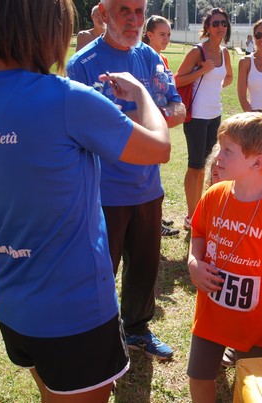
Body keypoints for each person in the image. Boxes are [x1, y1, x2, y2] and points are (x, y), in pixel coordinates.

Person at [0, 0, 173, 400]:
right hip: (74, 310)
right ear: (46, 29)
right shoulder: (66, 98)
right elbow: (159, 148)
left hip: (13, 300)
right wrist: (142, 94)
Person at [67, 0, 185, 362]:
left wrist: (137, 121)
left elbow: (178, 108)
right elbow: (77, 133)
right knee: (101, 273)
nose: (134, 20)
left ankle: (137, 330)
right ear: (103, 13)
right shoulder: (83, 65)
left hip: (148, 187)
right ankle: (98, 342)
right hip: (103, 192)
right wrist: (144, 128)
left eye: (139, 12)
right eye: (124, 11)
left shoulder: (150, 58)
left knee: (146, 268)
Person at [187, 112, 262, 403]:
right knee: (199, 377)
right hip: (211, 314)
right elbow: (198, 233)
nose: (218, 156)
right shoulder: (215, 194)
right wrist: (193, 263)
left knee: (253, 387)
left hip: (256, 326)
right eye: (220, 147)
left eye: (228, 151)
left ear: (257, 162)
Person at [175, 8, 233, 230]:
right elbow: (178, 81)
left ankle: (204, 210)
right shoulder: (197, 52)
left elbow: (228, 76)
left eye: (224, 23)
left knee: (210, 166)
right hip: (197, 116)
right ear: (208, 27)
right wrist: (201, 71)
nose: (220, 27)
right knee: (195, 166)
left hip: (214, 114)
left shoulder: (224, 53)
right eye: (216, 23)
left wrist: (215, 87)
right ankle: (192, 216)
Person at [142, 14, 181, 237]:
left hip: (161, 119)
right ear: (149, 35)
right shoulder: (143, 58)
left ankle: (156, 217)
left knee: (155, 172)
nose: (166, 39)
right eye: (162, 35)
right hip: (149, 122)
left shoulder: (161, 59)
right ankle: (153, 223)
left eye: (168, 34)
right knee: (149, 173)